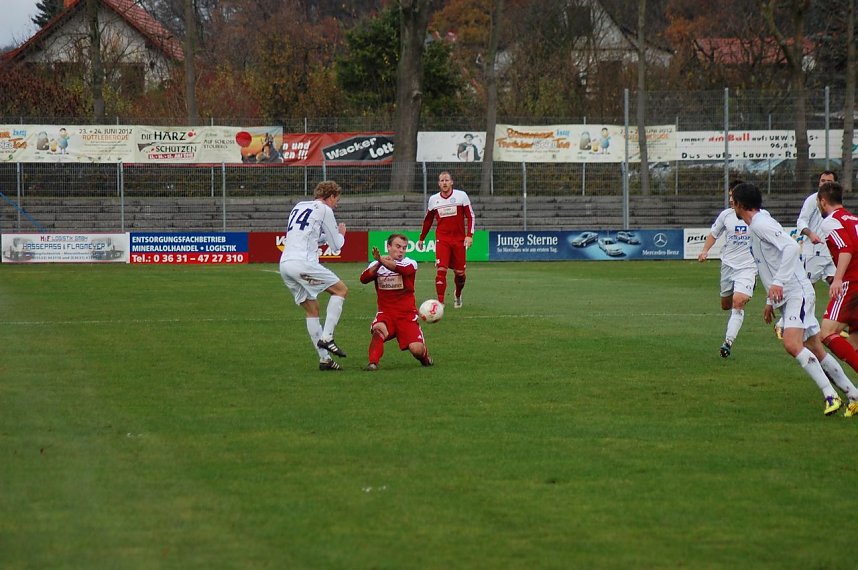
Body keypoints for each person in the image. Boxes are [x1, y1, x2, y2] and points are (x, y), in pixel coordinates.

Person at [731, 182, 856, 416]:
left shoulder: (760, 223)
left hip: (796, 292)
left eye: (732, 201)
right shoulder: (755, 225)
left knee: (791, 344)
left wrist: (778, 282)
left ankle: (831, 395)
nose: (730, 205)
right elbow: (770, 262)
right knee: (816, 349)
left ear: (740, 204)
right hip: (788, 294)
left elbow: (791, 248)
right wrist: (770, 300)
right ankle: (854, 395)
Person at [279, 180, 349, 371]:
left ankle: (325, 360)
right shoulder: (325, 210)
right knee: (341, 290)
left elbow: (309, 236)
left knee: (312, 309)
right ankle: (327, 337)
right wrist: (341, 233)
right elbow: (337, 246)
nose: (337, 204)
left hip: (285, 264)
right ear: (331, 196)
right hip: (303, 263)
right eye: (337, 200)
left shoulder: (299, 206)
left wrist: (327, 236)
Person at [774, 171, 839, 339]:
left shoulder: (835, 202)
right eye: (822, 180)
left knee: (838, 286)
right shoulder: (813, 200)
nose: (824, 183)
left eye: (828, 181)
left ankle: (833, 322)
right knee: (806, 289)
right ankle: (783, 323)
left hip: (831, 252)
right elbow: (801, 221)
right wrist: (811, 235)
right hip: (813, 251)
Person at [697, 180, 756, 358]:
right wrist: (705, 251)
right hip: (728, 265)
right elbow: (714, 234)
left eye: (733, 196)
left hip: (748, 267)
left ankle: (727, 342)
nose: (731, 200)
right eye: (730, 196)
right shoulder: (726, 216)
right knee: (726, 305)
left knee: (737, 302)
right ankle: (742, 294)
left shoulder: (759, 216)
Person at [815, 181, 858, 416]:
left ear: (823, 201)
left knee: (827, 332)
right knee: (852, 342)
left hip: (851, 284)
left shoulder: (831, 221)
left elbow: (847, 248)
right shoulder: (853, 219)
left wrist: (839, 279)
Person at [359, 233, 433, 371]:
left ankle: (425, 357)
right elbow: (363, 279)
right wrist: (378, 263)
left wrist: (381, 260)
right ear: (388, 246)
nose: (401, 251)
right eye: (398, 247)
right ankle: (373, 363)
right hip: (386, 313)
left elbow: (402, 270)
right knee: (378, 329)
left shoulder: (409, 263)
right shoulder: (376, 264)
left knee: (416, 350)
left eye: (404, 248)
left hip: (406, 316)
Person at [418, 171, 475, 308]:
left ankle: (457, 295)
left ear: (451, 182)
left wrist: (469, 235)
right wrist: (422, 238)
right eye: (442, 180)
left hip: (459, 240)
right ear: (439, 183)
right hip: (442, 240)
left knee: (460, 274)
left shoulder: (461, 196)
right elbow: (428, 220)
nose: (444, 183)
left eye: (446, 180)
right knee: (441, 270)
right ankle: (440, 303)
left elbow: (470, 216)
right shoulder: (434, 199)